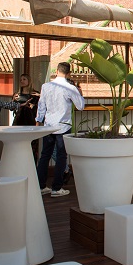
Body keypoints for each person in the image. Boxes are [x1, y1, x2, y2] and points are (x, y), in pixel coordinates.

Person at [36, 62, 85, 197]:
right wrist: (80, 94)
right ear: (69, 73)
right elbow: (80, 106)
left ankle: (41, 186)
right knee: (61, 156)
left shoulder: (46, 86)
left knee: (45, 155)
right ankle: (56, 188)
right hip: (63, 125)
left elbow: (41, 105)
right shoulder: (70, 88)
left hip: (48, 125)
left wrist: (38, 120)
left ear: (56, 71)